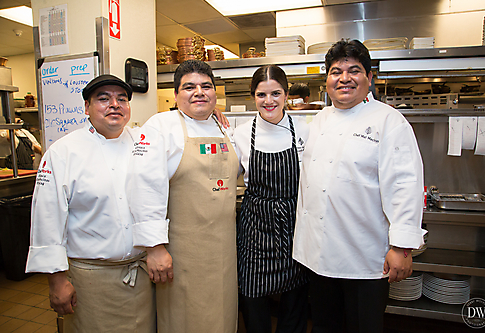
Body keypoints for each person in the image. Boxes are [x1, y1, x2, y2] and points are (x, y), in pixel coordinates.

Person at [293, 39, 424, 333]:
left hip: (365, 258)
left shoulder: (390, 121)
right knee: (325, 327)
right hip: (318, 255)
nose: (344, 78)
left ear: (369, 78)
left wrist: (402, 247)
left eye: (354, 71)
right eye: (336, 71)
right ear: (326, 79)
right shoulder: (318, 120)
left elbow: (406, 184)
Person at [25, 74, 156, 333]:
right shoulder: (63, 152)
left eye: (121, 99)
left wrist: (212, 115)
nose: (114, 105)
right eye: (103, 99)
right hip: (92, 280)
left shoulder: (144, 143)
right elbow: (47, 218)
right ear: (87, 107)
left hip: (142, 278)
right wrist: (57, 281)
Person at [127, 59, 239, 333]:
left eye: (206, 86)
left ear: (215, 93)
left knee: (222, 317)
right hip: (182, 252)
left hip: (224, 249)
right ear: (176, 95)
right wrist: (154, 247)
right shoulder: (160, 127)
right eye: (189, 87)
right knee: (185, 319)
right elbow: (143, 188)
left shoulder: (223, 127)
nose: (199, 92)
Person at [234, 65, 309, 333]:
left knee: (295, 303)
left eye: (275, 93)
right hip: (255, 229)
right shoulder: (241, 134)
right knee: (252, 298)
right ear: (253, 96)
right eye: (261, 95)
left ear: (286, 95)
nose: (269, 101)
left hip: (293, 227)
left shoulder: (304, 131)